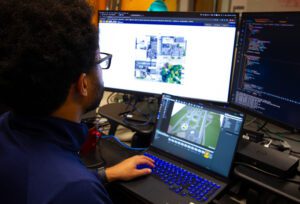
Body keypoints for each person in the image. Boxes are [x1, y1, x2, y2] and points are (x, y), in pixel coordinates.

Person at [0, 0, 154, 203]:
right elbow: (65, 188)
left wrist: (106, 174)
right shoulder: (78, 191)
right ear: (83, 84)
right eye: (99, 61)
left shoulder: (5, 126)